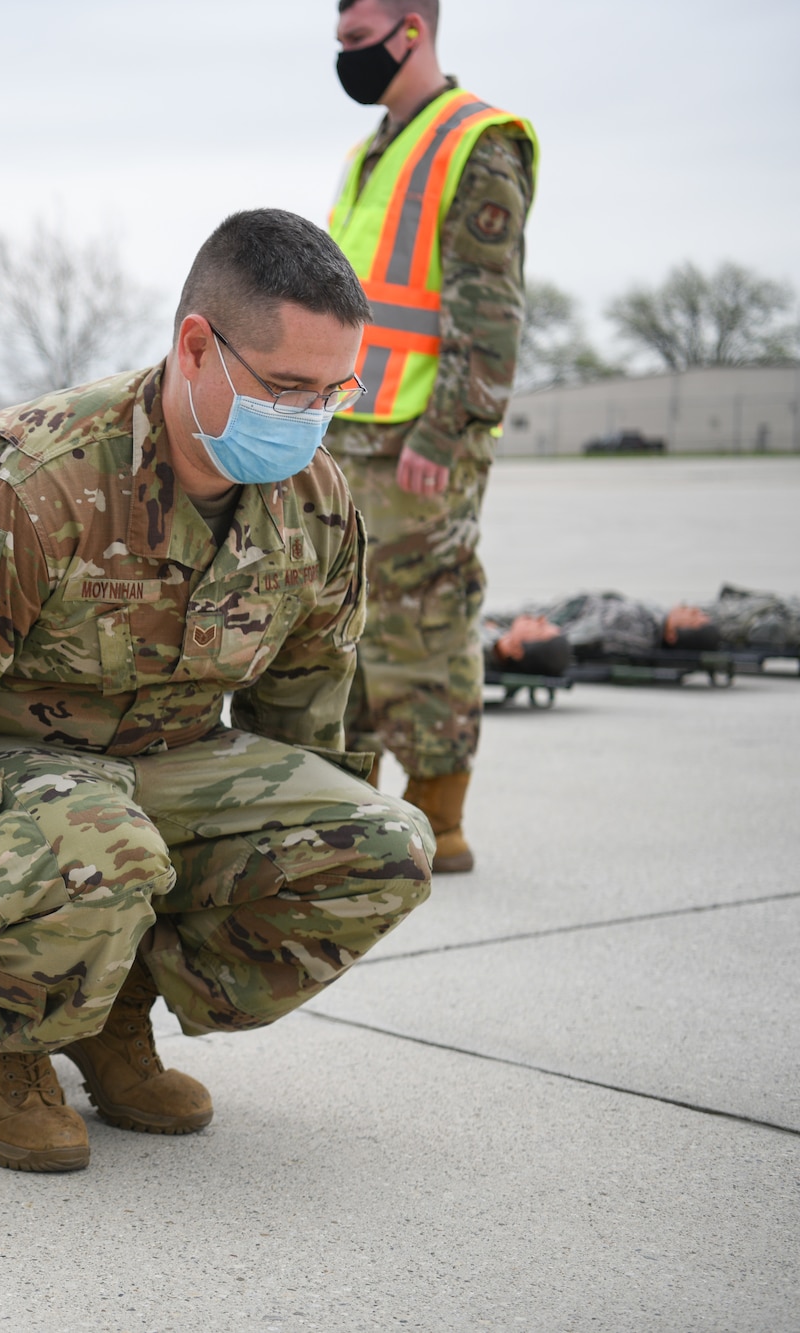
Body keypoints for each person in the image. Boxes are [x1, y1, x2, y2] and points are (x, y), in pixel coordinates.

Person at [0, 209, 435, 1173]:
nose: (310, 419)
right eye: (286, 388)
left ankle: (108, 1014)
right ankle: (6, 1044)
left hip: (164, 769)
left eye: (332, 392)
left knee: (385, 846)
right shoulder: (28, 482)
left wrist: (292, 844)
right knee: (107, 846)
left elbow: (308, 725)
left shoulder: (315, 505)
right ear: (197, 347)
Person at [324, 0, 538, 872]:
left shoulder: (479, 140)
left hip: (421, 439)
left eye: (356, 38)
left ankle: (439, 822)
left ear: (412, 28)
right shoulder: (370, 149)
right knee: (344, 630)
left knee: (426, 621)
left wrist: (447, 437)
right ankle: (351, 813)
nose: (344, 55)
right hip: (348, 433)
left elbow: (488, 314)